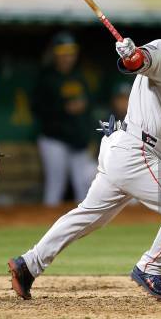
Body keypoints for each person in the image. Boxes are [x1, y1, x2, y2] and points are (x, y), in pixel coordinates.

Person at [8, 0, 161, 301]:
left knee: (88, 216)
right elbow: (138, 62)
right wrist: (130, 55)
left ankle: (28, 264)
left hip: (130, 150)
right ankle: (150, 267)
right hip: (137, 150)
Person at [32, 32, 96, 206]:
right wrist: (64, 108)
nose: (67, 57)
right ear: (55, 53)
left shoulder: (79, 77)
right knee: (55, 185)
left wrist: (87, 136)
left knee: (83, 187)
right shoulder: (46, 78)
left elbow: (89, 109)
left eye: (70, 52)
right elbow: (37, 109)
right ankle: (47, 226)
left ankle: (83, 227)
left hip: (78, 140)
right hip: (54, 139)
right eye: (63, 52)